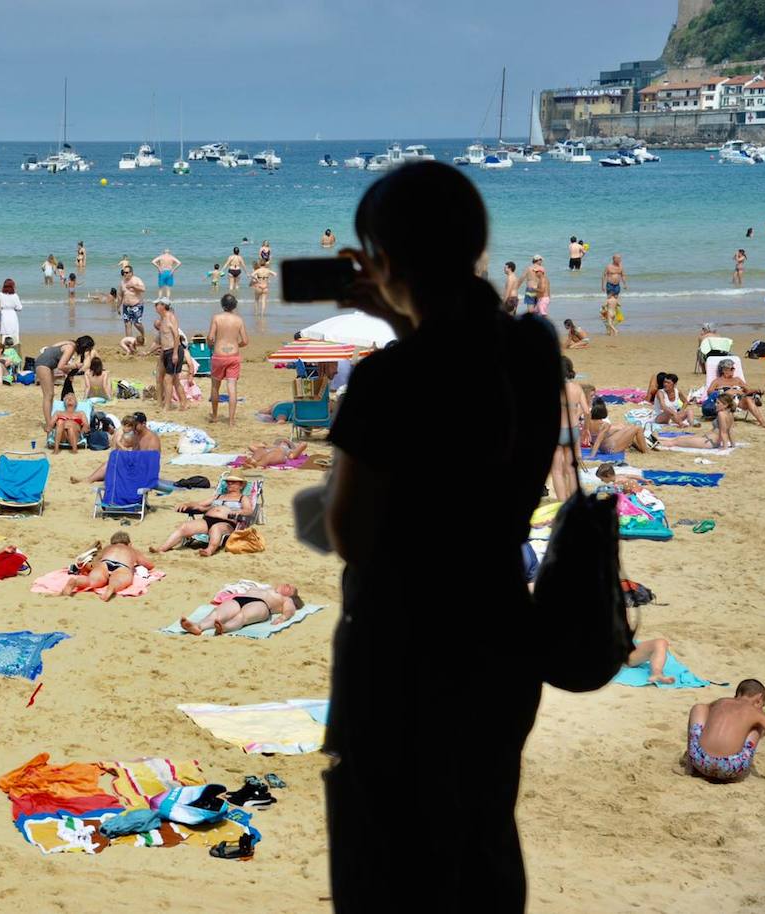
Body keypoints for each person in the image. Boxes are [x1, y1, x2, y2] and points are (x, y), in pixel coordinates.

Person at [300, 162, 561, 909]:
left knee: (390, 860)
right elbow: (466, 364)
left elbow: (350, 531)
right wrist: (399, 314)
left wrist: (394, 327)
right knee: (482, 836)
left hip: (402, 649)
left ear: (382, 260)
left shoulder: (389, 382)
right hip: (498, 630)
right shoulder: (532, 353)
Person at [685, 680, 765, 782]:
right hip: (730, 768)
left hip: (700, 761)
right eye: (762, 705)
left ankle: (689, 767)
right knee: (758, 725)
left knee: (699, 707)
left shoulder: (722, 701)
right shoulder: (757, 713)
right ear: (759, 698)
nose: (761, 708)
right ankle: (742, 771)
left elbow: (705, 711)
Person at [150, 475, 255, 557]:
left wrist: (239, 512)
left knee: (216, 528)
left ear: (241, 485)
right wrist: (188, 504)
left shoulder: (242, 498)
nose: (230, 484)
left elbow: (248, 510)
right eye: (228, 482)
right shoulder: (218, 496)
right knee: (184, 527)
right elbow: (199, 504)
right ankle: (162, 548)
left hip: (226, 522)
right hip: (207, 520)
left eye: (233, 482)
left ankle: (209, 550)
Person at [61, 532, 154, 601]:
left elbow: (96, 560)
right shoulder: (132, 550)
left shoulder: (108, 548)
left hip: (105, 563)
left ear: (112, 543)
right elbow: (149, 565)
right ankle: (111, 588)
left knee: (91, 581)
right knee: (118, 581)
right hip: (122, 566)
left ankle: (76, 582)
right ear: (129, 544)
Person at [179, 585, 303, 635]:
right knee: (216, 613)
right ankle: (198, 627)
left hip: (262, 605)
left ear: (292, 595)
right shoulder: (266, 588)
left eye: (291, 588)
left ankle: (225, 628)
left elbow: (289, 611)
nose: (288, 585)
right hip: (240, 599)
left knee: (242, 617)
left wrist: (282, 618)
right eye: (287, 584)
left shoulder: (286, 599)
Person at [206, 294, 249, 425]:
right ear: (234, 305)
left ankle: (214, 416)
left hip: (219, 355)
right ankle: (231, 420)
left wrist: (210, 346)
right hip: (233, 355)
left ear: (222, 304)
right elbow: (245, 341)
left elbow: (210, 337)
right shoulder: (239, 320)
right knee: (232, 388)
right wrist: (237, 345)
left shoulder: (217, 318)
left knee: (215, 387)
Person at [35, 336, 95, 428]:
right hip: (43, 365)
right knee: (48, 395)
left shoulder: (69, 343)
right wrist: (75, 365)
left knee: (51, 395)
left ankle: (50, 421)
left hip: (45, 363)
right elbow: (60, 366)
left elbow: (51, 348)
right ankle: (48, 424)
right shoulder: (71, 348)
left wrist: (68, 372)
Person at [551, 356, 588, 501]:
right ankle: (573, 501)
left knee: (557, 470)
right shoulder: (577, 388)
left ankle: (561, 502)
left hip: (557, 430)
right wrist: (585, 429)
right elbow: (586, 411)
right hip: (573, 430)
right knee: (572, 469)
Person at [706, 358, 765, 427]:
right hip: (726, 400)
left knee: (748, 399)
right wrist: (726, 393)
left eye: (733, 368)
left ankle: (762, 422)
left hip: (740, 400)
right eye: (732, 368)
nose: (734, 370)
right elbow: (709, 392)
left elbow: (748, 390)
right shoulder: (717, 381)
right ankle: (730, 421)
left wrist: (756, 390)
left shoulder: (737, 379)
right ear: (724, 370)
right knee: (728, 400)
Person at [587, 401, 655, 455]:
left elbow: (594, 439)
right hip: (610, 449)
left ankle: (634, 443)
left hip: (604, 447)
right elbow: (598, 440)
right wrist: (592, 455)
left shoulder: (588, 422)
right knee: (638, 428)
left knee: (624, 428)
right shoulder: (604, 425)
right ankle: (646, 451)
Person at [153, 300, 186, 411]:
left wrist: (175, 353)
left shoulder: (170, 317)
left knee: (168, 379)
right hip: (167, 352)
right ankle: (184, 404)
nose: (155, 307)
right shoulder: (161, 319)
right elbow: (161, 339)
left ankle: (166, 406)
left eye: (157, 305)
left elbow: (176, 336)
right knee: (175, 380)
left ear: (163, 306)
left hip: (174, 351)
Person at [119, 265, 147, 345]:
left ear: (131, 273)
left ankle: (143, 335)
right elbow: (120, 295)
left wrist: (133, 286)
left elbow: (143, 289)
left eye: (127, 272)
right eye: (123, 273)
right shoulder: (122, 282)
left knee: (137, 323)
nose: (125, 274)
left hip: (137, 305)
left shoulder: (137, 280)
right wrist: (118, 306)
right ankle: (129, 343)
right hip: (126, 306)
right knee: (127, 324)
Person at [0, 278, 22, 346]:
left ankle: (3, 350)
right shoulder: (15, 296)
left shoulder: (0, 294)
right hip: (12, 315)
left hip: (3, 315)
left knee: (4, 335)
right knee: (14, 335)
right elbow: (19, 308)